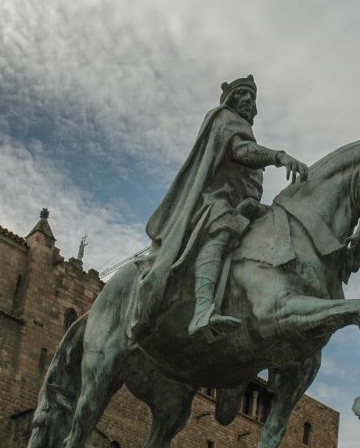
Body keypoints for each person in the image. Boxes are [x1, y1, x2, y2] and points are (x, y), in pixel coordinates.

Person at [132, 75, 308, 341]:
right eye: (243, 97)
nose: (249, 102)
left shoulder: (243, 128)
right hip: (212, 202)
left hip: (240, 205)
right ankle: (203, 308)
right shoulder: (224, 119)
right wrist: (278, 156)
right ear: (232, 99)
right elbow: (240, 151)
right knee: (222, 226)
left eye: (252, 99)